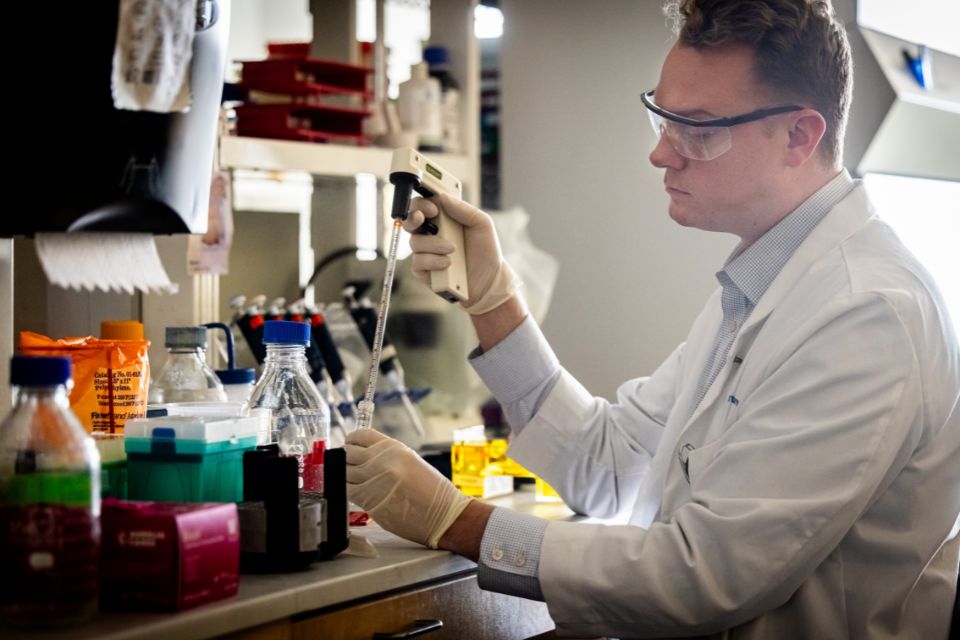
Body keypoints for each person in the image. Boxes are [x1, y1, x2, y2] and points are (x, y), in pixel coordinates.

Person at [345, 0, 960, 637]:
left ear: (800, 135)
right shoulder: (767, 285)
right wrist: (494, 300)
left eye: (696, 129)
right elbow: (611, 464)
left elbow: (704, 576)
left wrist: (456, 520)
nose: (661, 155)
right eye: (659, 117)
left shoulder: (863, 312)